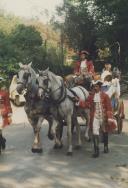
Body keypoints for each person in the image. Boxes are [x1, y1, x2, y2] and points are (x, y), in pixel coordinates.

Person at [76, 76, 116, 158]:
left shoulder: (105, 96)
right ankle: (96, 150)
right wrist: (78, 101)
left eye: (96, 86)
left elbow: (109, 107)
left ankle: (105, 146)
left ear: (100, 87)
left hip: (103, 117)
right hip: (95, 117)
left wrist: (109, 117)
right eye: (94, 86)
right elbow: (87, 104)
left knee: (105, 132)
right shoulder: (91, 96)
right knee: (95, 133)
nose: (95, 87)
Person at [0, 77, 12, 154]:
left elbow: (7, 103)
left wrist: (9, 113)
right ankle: (2, 140)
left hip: (1, 113)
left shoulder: (4, 92)